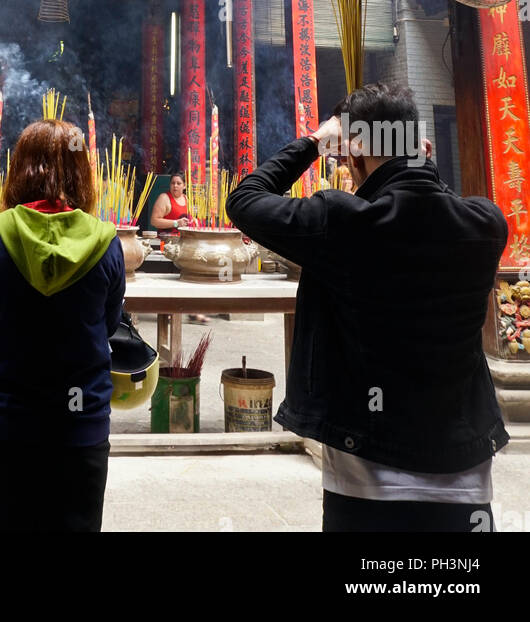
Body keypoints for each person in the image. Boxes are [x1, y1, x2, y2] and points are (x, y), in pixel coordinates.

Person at [226, 81, 508, 534]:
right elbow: (432, 207)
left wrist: (314, 143)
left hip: (368, 480)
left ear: (354, 153)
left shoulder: (342, 223)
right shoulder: (486, 225)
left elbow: (245, 200)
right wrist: (417, 161)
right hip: (467, 477)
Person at [0, 119, 125, 532]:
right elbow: (107, 326)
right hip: (79, 422)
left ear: (20, 168)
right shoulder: (107, 243)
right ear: (81, 170)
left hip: (3, 420)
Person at [150, 172, 209, 323]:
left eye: (178, 183)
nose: (175, 186)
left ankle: (193, 311)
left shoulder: (186, 199)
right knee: (170, 278)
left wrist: (193, 221)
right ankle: (169, 310)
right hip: (166, 244)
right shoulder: (164, 198)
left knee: (190, 274)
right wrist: (175, 223)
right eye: (173, 183)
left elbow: (187, 219)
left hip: (183, 244)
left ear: (184, 186)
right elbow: (155, 221)